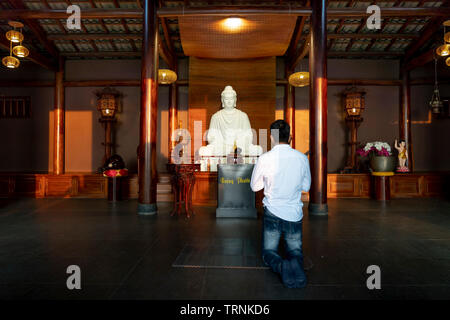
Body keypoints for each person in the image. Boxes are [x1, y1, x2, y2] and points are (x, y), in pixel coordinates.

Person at [250, 120, 311, 288]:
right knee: (295, 251)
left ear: (271, 137)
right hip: (294, 213)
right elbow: (306, 186)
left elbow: (255, 186)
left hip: (272, 212)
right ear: (290, 137)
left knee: (269, 252)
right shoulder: (301, 158)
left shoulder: (265, 158)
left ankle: (281, 266)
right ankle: (296, 267)